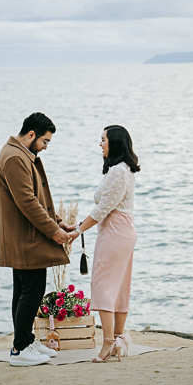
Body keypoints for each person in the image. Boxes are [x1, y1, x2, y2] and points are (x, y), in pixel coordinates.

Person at [0, 112, 76, 366]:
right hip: (25, 239)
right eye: (45, 141)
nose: (45, 147)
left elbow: (36, 199)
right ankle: (20, 349)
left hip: (25, 237)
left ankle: (26, 341)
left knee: (24, 291)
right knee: (30, 291)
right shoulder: (14, 158)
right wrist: (54, 231)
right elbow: (28, 202)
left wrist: (59, 221)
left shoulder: (20, 154)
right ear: (31, 134)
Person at [70, 125, 139, 363]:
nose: (100, 144)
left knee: (102, 285)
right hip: (122, 230)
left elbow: (103, 208)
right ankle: (118, 337)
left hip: (115, 231)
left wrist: (78, 230)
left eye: (103, 140)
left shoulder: (119, 171)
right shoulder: (123, 170)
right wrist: (79, 225)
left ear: (115, 143)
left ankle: (109, 341)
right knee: (119, 286)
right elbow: (107, 207)